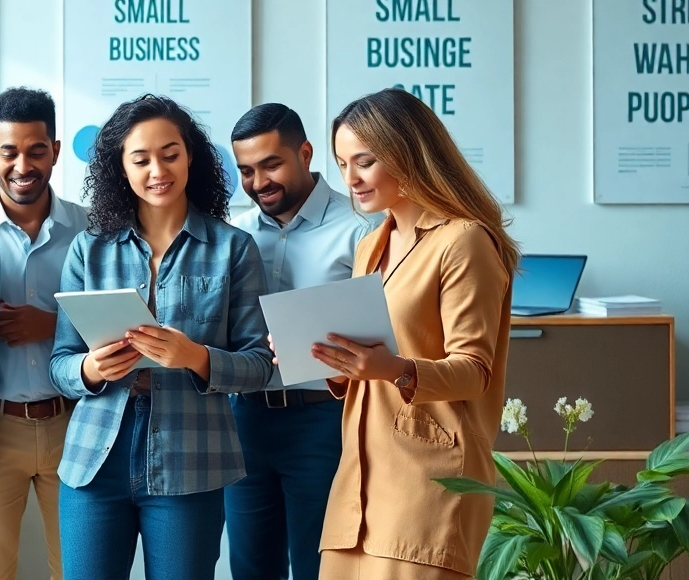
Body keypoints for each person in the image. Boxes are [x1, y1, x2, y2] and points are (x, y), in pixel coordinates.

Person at [49, 94, 274, 580]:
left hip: (192, 458)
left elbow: (260, 365)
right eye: (141, 159)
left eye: (170, 154)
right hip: (95, 459)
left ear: (190, 155)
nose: (158, 170)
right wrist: (88, 369)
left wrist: (195, 356)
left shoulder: (233, 248)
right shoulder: (89, 249)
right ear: (120, 168)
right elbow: (61, 363)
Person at [310, 88, 518, 580]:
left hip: (428, 482)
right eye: (342, 163)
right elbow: (367, 365)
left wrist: (393, 369)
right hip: (357, 485)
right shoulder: (369, 246)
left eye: (365, 161)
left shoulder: (464, 240)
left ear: (409, 154)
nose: (351, 178)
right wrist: (324, 356)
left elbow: (475, 372)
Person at [226, 103, 378, 580]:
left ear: (306, 153)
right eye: (247, 171)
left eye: (271, 164)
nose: (259, 182)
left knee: (321, 567)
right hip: (246, 420)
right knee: (250, 567)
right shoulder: (235, 235)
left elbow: (384, 336)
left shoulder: (360, 231)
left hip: (322, 420)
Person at [0, 87, 88, 580]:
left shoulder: (90, 230)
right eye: (9, 151)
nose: (22, 165)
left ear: (55, 150)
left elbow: (123, 324)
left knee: (79, 567)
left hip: (74, 423)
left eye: (37, 150)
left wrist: (53, 326)